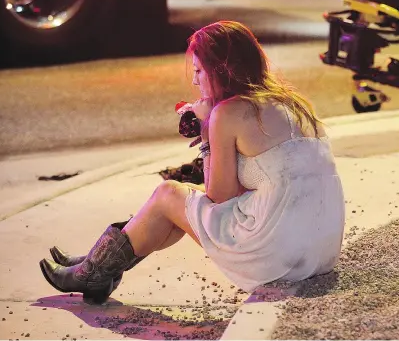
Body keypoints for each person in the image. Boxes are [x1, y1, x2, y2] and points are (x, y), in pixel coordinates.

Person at [39, 21, 346, 304]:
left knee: (169, 195)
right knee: (177, 207)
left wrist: (208, 132)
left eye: (199, 71)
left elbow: (219, 199)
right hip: (321, 249)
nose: (195, 81)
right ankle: (95, 268)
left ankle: (94, 271)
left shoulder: (228, 113)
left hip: (278, 254)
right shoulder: (291, 102)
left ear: (221, 69)